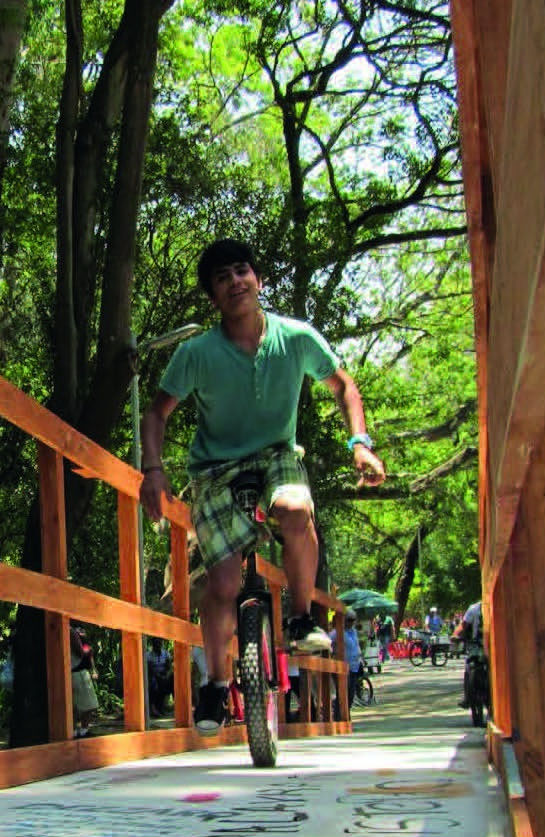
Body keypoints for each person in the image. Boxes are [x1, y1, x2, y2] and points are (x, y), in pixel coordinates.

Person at [139, 239, 387, 735]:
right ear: (215, 298)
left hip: (277, 454)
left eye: (241, 272)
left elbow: (344, 387)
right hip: (214, 469)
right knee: (224, 584)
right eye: (222, 279)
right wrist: (154, 470)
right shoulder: (197, 352)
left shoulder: (295, 338)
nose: (235, 282)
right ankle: (215, 685)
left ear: (258, 280)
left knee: (295, 510)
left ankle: (299, 620)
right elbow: (156, 412)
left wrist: (360, 442)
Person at [70, 624, 99, 738]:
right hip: (78, 673)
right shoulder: (70, 631)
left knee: (81, 705)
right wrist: (87, 650)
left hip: (77, 672)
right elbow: (81, 652)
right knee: (88, 704)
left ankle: (81, 730)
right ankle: (81, 730)